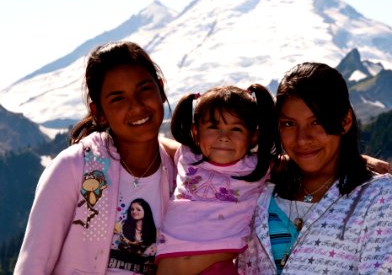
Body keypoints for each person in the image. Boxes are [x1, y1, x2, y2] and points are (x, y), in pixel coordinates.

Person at [14, 41, 176, 275]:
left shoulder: (180, 173)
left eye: (144, 89)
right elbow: (32, 266)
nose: (137, 106)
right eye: (118, 99)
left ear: (161, 90)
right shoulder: (73, 167)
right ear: (99, 113)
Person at [237, 62, 392, 274]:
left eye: (316, 122)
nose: (302, 139)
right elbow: (190, 150)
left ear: (345, 121)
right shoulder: (259, 186)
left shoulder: (375, 194)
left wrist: (356, 160)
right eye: (289, 123)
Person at [156, 84, 277, 275]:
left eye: (236, 129)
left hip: (218, 269)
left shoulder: (257, 167)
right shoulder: (187, 156)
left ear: (253, 136)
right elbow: (154, 141)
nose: (224, 137)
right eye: (213, 127)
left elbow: (300, 162)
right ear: (196, 131)